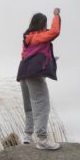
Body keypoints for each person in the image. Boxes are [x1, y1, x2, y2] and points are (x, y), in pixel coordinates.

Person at [16, 8, 61, 150]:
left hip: (23, 73)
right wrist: (56, 15)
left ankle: (27, 136)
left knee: (29, 106)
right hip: (34, 75)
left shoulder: (27, 38)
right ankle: (42, 139)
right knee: (42, 105)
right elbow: (54, 32)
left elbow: (24, 55)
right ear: (43, 24)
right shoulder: (39, 36)